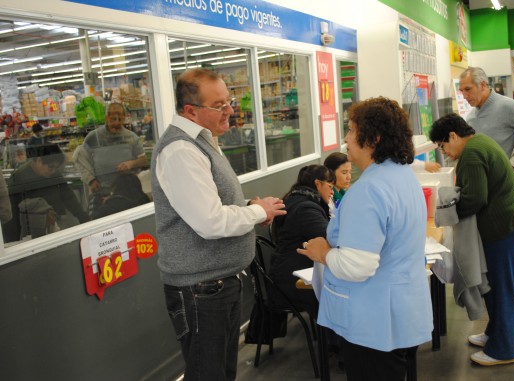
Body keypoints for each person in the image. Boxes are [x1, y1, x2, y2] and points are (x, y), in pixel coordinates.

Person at [151, 68, 286, 381]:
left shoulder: (203, 141)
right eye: (219, 105)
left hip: (217, 283)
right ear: (191, 111)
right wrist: (256, 212)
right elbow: (210, 222)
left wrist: (250, 207)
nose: (230, 110)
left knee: (222, 373)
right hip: (201, 290)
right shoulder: (181, 150)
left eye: (229, 101)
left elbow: (212, 206)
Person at [298, 97, 433, 381]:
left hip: (374, 324)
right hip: (401, 312)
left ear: (373, 138)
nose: (345, 138)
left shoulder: (369, 190)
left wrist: (322, 252)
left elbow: (357, 266)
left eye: (350, 129)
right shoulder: (402, 176)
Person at [429, 113, 514, 366]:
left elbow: (475, 199)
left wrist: (447, 214)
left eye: (443, 146)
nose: (444, 153)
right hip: (512, 228)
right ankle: (494, 335)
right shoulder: (480, 142)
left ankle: (503, 350)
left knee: (502, 292)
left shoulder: (472, 154)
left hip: (508, 232)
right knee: (495, 288)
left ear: (453, 136)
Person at [270, 164, 333, 318]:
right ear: (318, 184)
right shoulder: (306, 209)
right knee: (337, 293)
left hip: (286, 271)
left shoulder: (294, 198)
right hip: (292, 281)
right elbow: (330, 238)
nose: (333, 191)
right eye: (330, 186)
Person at [3, 143, 88, 242]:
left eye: (56, 168)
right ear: (39, 160)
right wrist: (13, 242)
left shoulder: (55, 174)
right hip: (32, 233)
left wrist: (84, 218)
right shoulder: (19, 178)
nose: (53, 171)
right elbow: (12, 214)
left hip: (55, 225)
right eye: (50, 167)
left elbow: (68, 197)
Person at [73, 102, 148, 196]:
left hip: (127, 191)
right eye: (113, 119)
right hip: (102, 191)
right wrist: (91, 180)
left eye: (120, 119)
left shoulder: (131, 137)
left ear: (124, 118)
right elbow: (80, 158)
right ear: (106, 117)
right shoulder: (93, 137)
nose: (116, 123)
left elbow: (144, 160)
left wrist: (131, 163)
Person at [459, 67, 514, 158]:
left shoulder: (509, 107)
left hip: (508, 171)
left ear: (483, 85)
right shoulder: (470, 118)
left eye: (468, 89)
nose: (464, 96)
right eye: (461, 91)